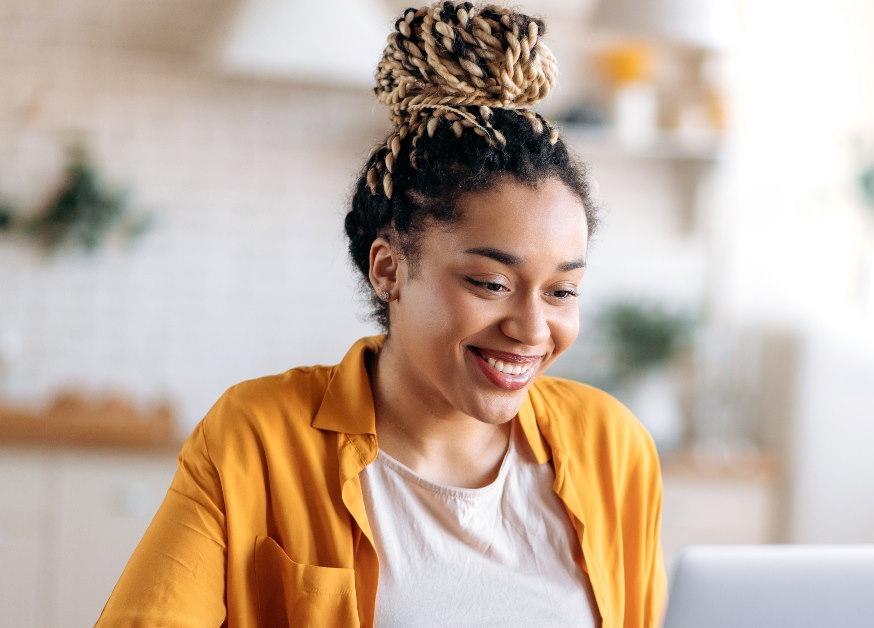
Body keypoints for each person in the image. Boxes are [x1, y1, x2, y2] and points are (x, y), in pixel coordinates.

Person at [96, 2, 667, 626]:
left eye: (562, 291)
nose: (532, 329)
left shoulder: (612, 446)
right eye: (491, 283)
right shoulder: (257, 440)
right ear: (388, 268)